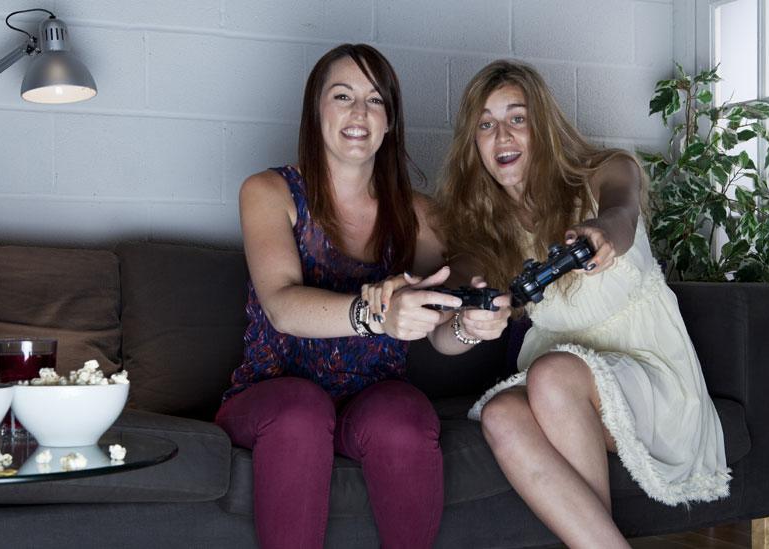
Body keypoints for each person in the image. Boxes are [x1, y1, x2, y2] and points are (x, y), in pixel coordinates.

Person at [213, 43, 504, 549]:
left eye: (374, 100)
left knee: (406, 416)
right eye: (342, 96)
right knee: (302, 412)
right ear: (316, 110)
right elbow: (282, 305)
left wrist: (472, 311)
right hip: (272, 393)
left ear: (389, 120)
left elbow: (467, 277)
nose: (358, 113)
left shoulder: (417, 213)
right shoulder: (269, 192)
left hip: (370, 395)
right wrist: (379, 316)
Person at [433, 60, 731, 548]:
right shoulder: (482, 231)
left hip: (651, 378)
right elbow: (443, 333)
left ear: (543, 127)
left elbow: (622, 209)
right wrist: (467, 322)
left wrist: (603, 234)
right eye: (485, 124)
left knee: (551, 374)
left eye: (517, 118)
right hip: (562, 381)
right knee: (501, 414)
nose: (501, 135)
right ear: (474, 144)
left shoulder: (605, 171)